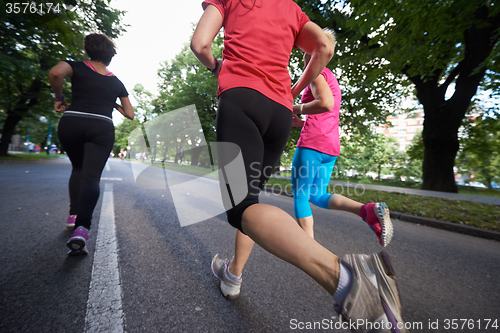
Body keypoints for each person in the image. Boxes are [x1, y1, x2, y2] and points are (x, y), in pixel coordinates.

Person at [190, 0, 407, 331]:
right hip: (278, 113)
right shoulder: (290, 7)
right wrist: (291, 91)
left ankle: (348, 278)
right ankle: (232, 275)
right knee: (251, 204)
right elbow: (324, 46)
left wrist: (216, 65)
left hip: (241, 99)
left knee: (242, 206)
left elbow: (200, 44)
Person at [289, 29, 393, 245]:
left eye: (306, 50)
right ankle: (367, 211)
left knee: (300, 194)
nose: (303, 56)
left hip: (312, 145)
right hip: (329, 146)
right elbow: (326, 110)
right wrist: (300, 120)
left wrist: (294, 107)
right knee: (316, 195)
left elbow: (325, 103)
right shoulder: (331, 77)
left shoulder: (316, 74)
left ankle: (311, 250)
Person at [49, 33, 134, 255]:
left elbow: (56, 73)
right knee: (91, 176)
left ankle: (73, 215)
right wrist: (114, 105)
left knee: (77, 168)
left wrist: (59, 98)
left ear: (88, 50)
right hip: (101, 128)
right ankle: (82, 229)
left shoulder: (75, 66)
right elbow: (130, 114)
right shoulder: (117, 82)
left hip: (72, 123)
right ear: (110, 57)